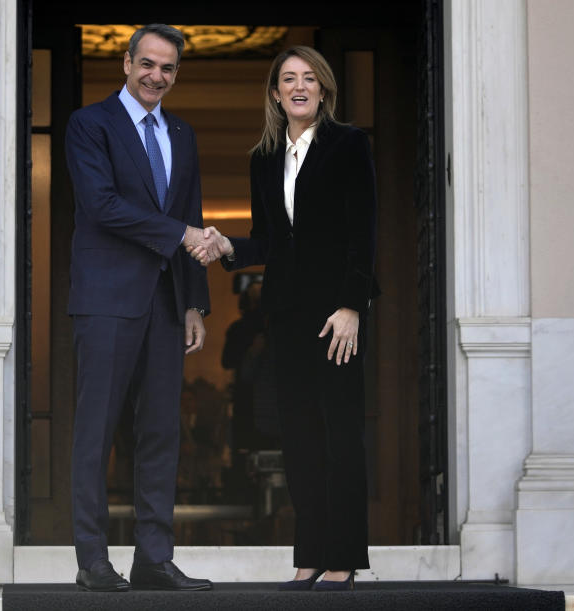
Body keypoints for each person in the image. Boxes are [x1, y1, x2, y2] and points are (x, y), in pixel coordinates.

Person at [191, 45, 379, 591]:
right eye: (288, 79)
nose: (299, 86)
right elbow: (273, 241)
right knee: (297, 437)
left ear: (323, 89)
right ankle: (310, 556)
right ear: (275, 93)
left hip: (337, 312)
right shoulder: (264, 157)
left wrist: (352, 306)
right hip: (288, 312)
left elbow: (363, 231)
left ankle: (343, 557)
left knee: (339, 432)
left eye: (309, 78)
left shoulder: (349, 145)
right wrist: (230, 245)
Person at [64, 24, 217, 592]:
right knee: (96, 430)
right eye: (147, 64)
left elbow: (192, 207)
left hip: (166, 303)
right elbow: (101, 206)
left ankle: (153, 558)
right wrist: (180, 233)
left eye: (168, 68)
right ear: (126, 64)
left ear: (176, 73)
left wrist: (195, 302)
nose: (157, 76)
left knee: (160, 432)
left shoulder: (182, 131)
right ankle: (92, 561)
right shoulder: (90, 124)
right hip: (106, 299)